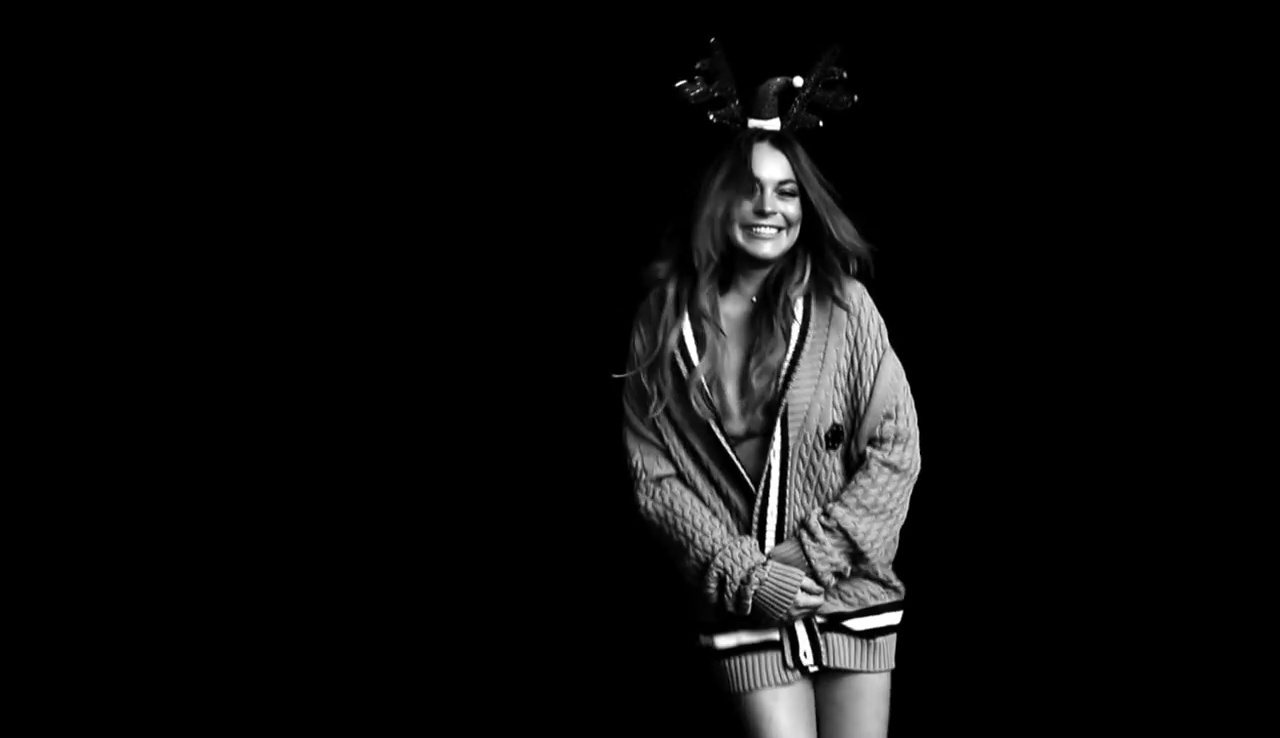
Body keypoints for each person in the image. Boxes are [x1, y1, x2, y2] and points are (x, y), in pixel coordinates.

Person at [618, 43, 922, 738]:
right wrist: (751, 577)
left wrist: (813, 557)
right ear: (716, 199)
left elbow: (897, 450)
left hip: (850, 588)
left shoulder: (844, 308)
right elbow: (653, 478)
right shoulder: (664, 322)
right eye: (749, 188)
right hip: (742, 599)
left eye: (786, 191)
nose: (768, 207)